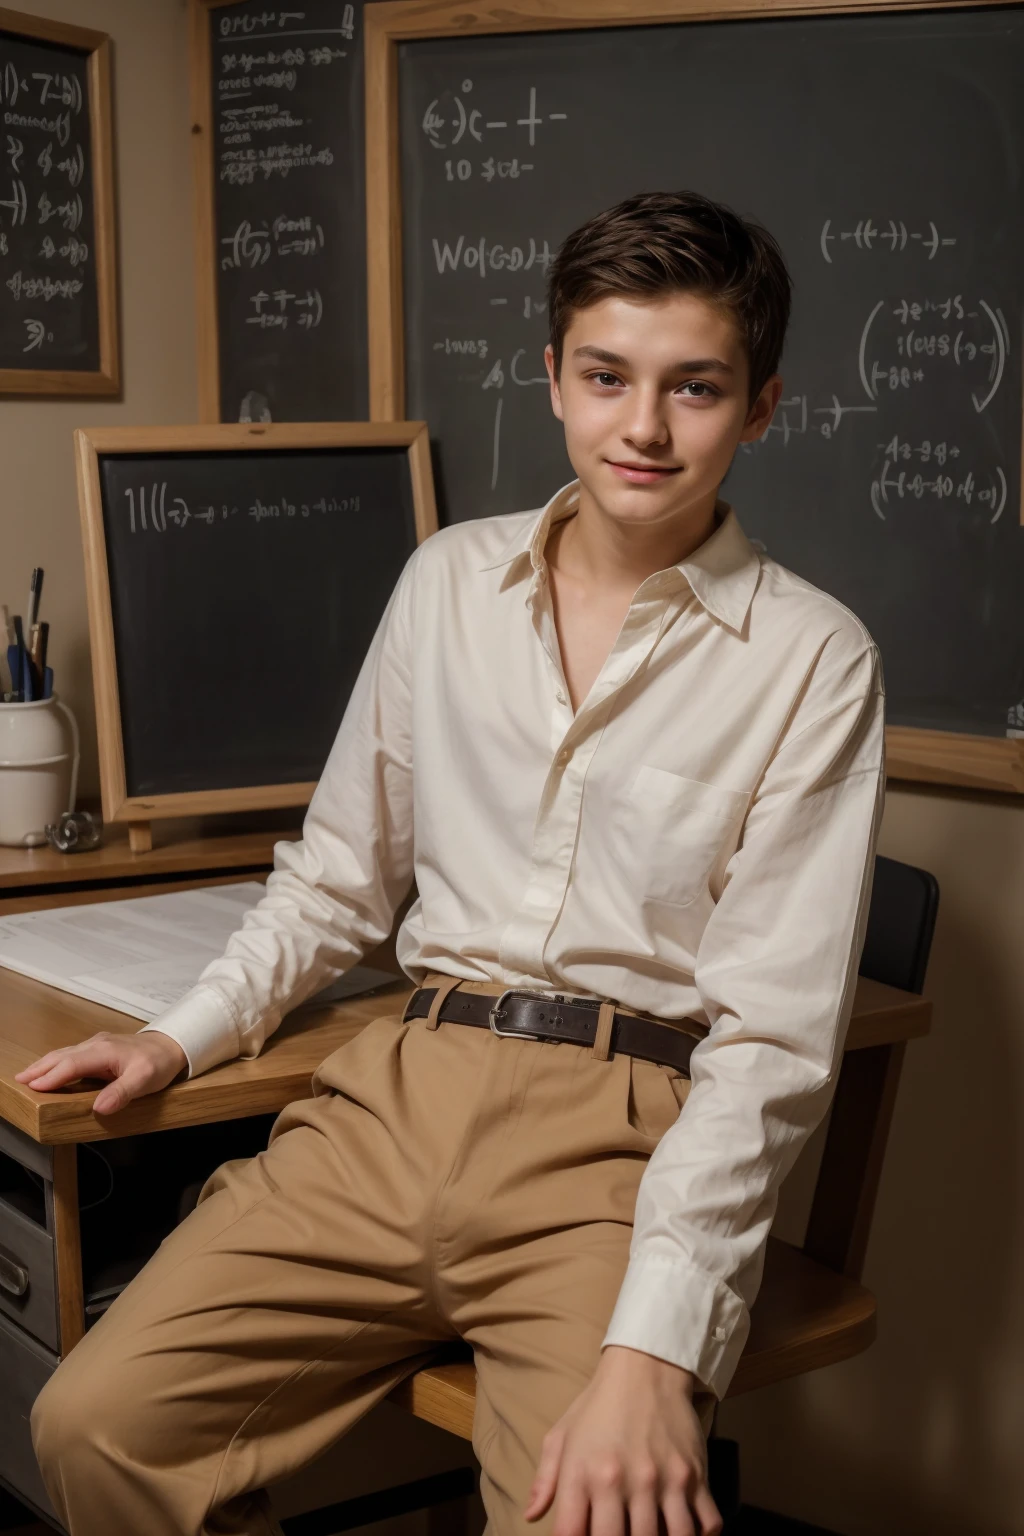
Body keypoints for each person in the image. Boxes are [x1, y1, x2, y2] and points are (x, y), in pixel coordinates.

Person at [20, 190, 885, 1536]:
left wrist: (655, 1350)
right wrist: (181, 1038)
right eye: (606, 378)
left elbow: (771, 1046)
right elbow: (339, 880)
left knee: (590, 1518)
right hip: (394, 1100)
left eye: (695, 388)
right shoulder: (445, 582)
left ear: (761, 405)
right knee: (90, 1425)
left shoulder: (814, 658)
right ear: (552, 379)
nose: (643, 428)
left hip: (619, 1145)